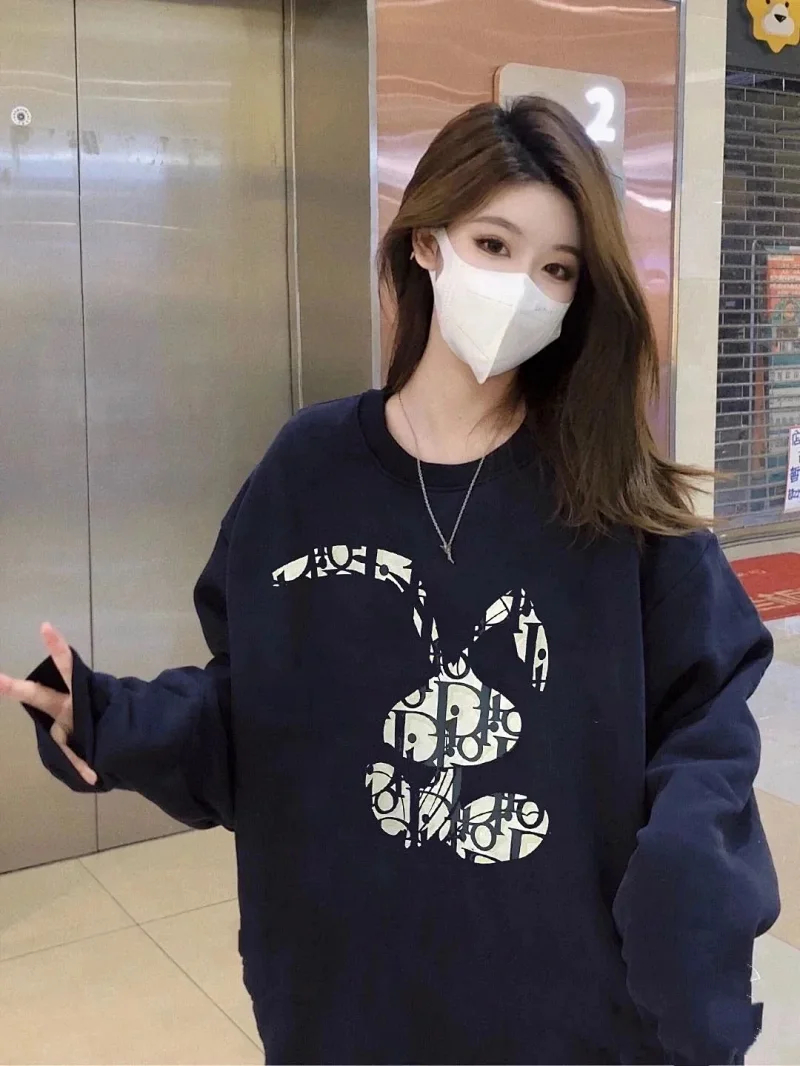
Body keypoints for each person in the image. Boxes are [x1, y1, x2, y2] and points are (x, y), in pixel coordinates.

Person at [0, 97, 779, 1066]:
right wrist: (111, 719)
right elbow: (259, 711)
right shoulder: (307, 471)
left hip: (566, 1014)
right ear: (425, 243)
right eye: (493, 245)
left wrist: (689, 903)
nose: (521, 288)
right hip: (348, 999)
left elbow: (707, 722)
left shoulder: (612, 497)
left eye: (556, 269)